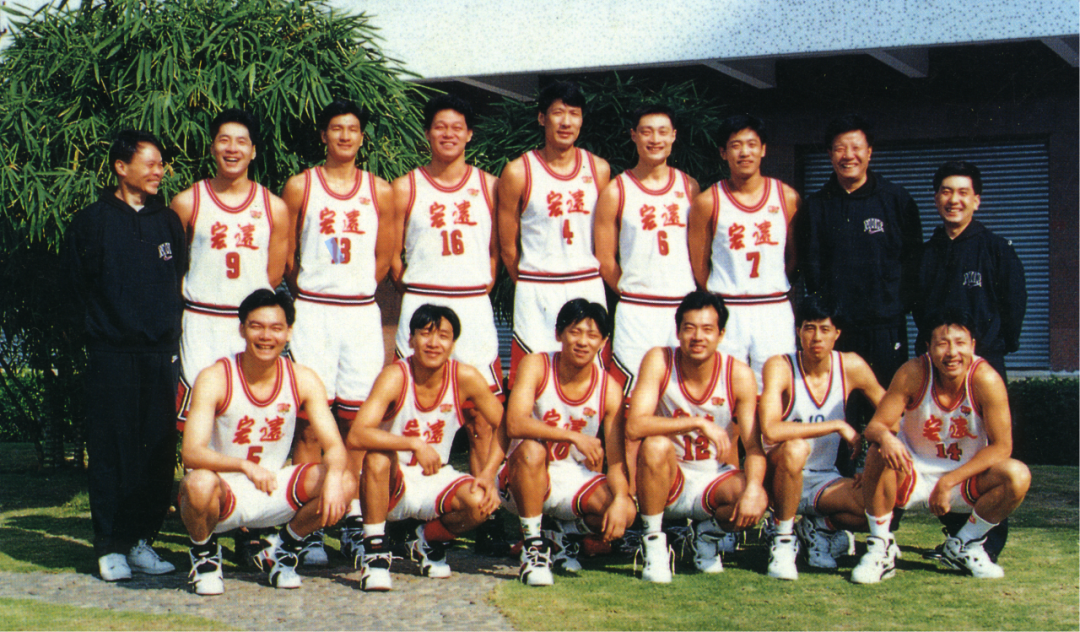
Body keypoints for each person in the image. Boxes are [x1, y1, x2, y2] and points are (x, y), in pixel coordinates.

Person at [66, 129, 187, 581]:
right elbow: (74, 289)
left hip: (159, 355)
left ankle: (140, 541)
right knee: (111, 448)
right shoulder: (91, 222)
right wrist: (100, 338)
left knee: (157, 450)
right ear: (121, 167)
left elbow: (176, 278)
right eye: (150, 164)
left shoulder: (167, 222)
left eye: (161, 164)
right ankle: (109, 545)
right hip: (110, 354)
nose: (159, 172)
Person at [178, 290, 353, 595]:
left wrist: (336, 478)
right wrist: (244, 466)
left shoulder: (303, 378)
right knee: (197, 483)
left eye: (276, 328)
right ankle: (204, 555)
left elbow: (335, 446)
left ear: (289, 332)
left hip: (272, 487)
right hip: (224, 491)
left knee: (346, 481)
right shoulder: (215, 377)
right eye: (256, 326)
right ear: (242, 329)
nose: (266, 336)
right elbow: (191, 453)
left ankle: (283, 548)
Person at [280, 100, 395, 563]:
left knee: (357, 423)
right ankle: (308, 523)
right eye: (336, 128)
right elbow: (288, 257)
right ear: (323, 135)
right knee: (312, 422)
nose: (345, 136)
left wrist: (353, 289)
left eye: (352, 129)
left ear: (362, 138)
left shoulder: (380, 190)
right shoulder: (300, 186)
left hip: (360, 313)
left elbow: (384, 259)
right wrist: (312, 290)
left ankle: (351, 517)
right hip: (314, 311)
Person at [850, 313, 1030, 584]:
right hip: (912, 472)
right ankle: (880, 548)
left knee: (1017, 475)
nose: (952, 352)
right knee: (879, 449)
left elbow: (1002, 447)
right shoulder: (913, 372)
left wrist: (948, 481)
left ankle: (964, 545)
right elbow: (875, 426)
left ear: (973, 345)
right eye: (943, 344)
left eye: (960, 343)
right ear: (928, 347)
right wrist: (887, 438)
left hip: (963, 478)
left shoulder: (986, 379)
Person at [389, 93, 502, 505]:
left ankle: (484, 499)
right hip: (422, 300)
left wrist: (476, 283)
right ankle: (401, 502)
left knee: (481, 417)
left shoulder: (490, 186)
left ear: (469, 134)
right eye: (440, 126)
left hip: (472, 304)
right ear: (427, 133)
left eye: (457, 127)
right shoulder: (405, 186)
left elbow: (498, 252)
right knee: (407, 409)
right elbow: (392, 257)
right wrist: (418, 288)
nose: (448, 134)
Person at [345, 304, 505, 591]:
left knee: (481, 502)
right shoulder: (395, 376)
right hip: (393, 480)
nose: (433, 343)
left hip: (435, 476)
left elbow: (508, 426)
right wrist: (413, 443)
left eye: (443, 336)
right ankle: (375, 555)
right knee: (378, 458)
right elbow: (357, 435)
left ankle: (427, 540)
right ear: (411, 339)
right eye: (425, 334)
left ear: (453, 343)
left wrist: (488, 474)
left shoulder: (465, 377)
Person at [913, 160, 1025, 561]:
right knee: (943, 445)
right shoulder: (926, 253)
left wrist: (989, 351)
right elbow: (918, 308)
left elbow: (1014, 306)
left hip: (982, 364)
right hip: (937, 367)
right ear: (936, 199)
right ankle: (954, 538)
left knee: (988, 449)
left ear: (977, 200)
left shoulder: (996, 249)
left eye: (963, 192)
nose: (954, 199)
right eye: (946, 191)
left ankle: (984, 544)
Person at [627, 291, 767, 583]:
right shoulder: (659, 360)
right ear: (678, 331)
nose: (697, 337)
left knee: (756, 496)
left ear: (721, 334)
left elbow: (753, 446)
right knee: (655, 445)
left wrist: (754, 488)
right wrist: (697, 423)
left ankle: (706, 534)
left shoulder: (738, 374)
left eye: (707, 329)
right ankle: (653, 542)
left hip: (712, 476)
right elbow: (634, 427)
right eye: (689, 328)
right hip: (669, 476)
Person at [796, 114, 922, 428]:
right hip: (838, 330)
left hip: (885, 326)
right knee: (842, 410)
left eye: (856, 147)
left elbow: (913, 261)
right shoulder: (816, 206)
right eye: (840, 148)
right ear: (829, 154)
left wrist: (895, 305)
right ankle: (843, 460)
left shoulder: (896, 200)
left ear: (869, 152)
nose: (848, 156)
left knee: (888, 409)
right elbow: (811, 267)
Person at [499, 299, 635, 586]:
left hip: (573, 477)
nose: (583, 342)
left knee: (626, 511)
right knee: (532, 450)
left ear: (604, 342)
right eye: (575, 332)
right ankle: (533, 547)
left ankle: (564, 535)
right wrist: (572, 436)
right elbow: (515, 423)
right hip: (524, 474)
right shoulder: (536, 364)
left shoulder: (609, 388)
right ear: (559, 333)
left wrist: (622, 498)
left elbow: (616, 462)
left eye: (592, 335)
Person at [757, 293, 886, 580]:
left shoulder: (850, 365)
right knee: (795, 449)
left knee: (876, 504)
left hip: (822, 480)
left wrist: (871, 459)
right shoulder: (780, 365)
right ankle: (782, 539)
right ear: (798, 331)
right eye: (809, 328)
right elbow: (771, 429)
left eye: (825, 329)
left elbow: (892, 411)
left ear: (837, 333)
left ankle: (817, 529)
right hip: (779, 476)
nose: (816, 337)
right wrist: (836, 425)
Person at [171, 109, 289, 422]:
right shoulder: (187, 202)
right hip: (201, 321)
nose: (232, 148)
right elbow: (174, 268)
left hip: (249, 326)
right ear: (212, 147)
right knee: (199, 416)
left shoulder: (274, 207)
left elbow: (273, 275)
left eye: (241, 142)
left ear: (253, 151)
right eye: (224, 140)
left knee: (244, 415)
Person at [497, 81, 611, 387]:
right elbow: (508, 247)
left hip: (586, 283)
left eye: (574, 113)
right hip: (538, 288)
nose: (566, 121)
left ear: (582, 120)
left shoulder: (599, 169)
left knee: (590, 382)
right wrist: (532, 283)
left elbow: (605, 239)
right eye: (558, 112)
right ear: (541, 118)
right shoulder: (518, 171)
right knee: (532, 383)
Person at [594, 103, 699, 400]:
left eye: (662, 132)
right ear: (634, 135)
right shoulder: (617, 190)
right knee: (630, 398)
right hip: (637, 311)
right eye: (647, 132)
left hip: (681, 308)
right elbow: (605, 259)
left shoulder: (690, 187)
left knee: (681, 397)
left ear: (674, 135)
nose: (655, 139)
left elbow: (701, 253)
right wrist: (633, 291)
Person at [688, 114, 800, 389]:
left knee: (777, 387)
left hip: (772, 306)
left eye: (752, 144)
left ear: (763, 149)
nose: (744, 152)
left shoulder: (787, 197)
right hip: (729, 308)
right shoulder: (708, 201)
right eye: (736, 145)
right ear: (723, 152)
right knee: (726, 387)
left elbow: (793, 257)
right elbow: (699, 264)